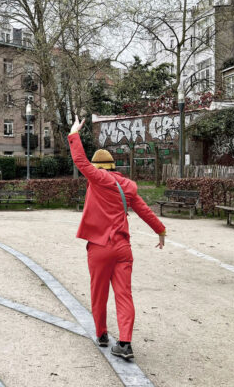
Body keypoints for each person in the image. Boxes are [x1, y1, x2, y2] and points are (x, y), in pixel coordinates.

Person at [68, 115, 166, 360]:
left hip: (100, 247)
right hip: (123, 247)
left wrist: (74, 134)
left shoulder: (98, 179)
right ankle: (125, 343)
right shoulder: (128, 186)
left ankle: (102, 334)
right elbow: (144, 210)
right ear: (113, 166)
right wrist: (161, 230)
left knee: (98, 293)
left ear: (98, 168)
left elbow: (80, 160)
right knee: (124, 295)